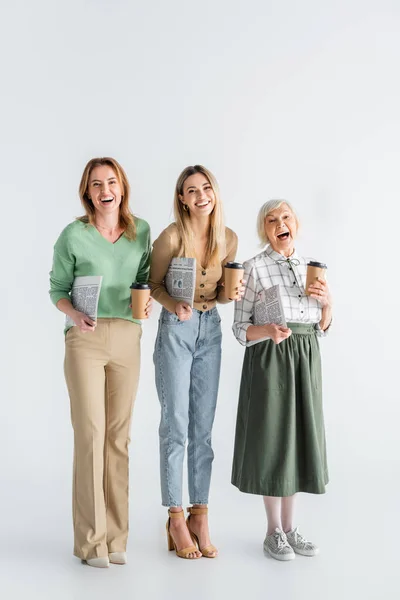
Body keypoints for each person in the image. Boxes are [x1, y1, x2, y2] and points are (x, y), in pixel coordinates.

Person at [49, 157, 152, 568]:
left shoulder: (140, 231)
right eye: (96, 184)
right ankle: (92, 543)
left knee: (119, 437)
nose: (105, 189)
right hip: (85, 339)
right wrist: (73, 314)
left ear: (122, 187)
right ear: (87, 192)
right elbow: (57, 288)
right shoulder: (73, 235)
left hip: (128, 336)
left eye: (111, 181)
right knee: (91, 435)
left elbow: (147, 278)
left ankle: (117, 538)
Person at [149, 165, 244, 559]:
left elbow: (222, 295)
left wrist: (231, 294)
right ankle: (174, 516)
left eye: (206, 188)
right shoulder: (171, 237)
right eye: (192, 190)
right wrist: (176, 305)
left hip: (212, 329)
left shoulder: (229, 238)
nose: (201, 195)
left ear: (214, 193)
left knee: (203, 428)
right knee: (176, 424)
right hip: (177, 328)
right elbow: (152, 286)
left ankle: (199, 514)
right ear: (182, 199)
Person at [231, 199, 332, 561]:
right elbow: (240, 329)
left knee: (300, 439)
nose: (279, 223)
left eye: (285, 217)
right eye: (271, 220)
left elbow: (321, 326)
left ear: (296, 224)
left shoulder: (311, 267)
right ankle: (273, 530)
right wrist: (268, 331)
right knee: (273, 438)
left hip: (306, 356)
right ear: (264, 230)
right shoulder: (253, 268)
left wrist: (329, 305)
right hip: (271, 356)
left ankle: (291, 529)